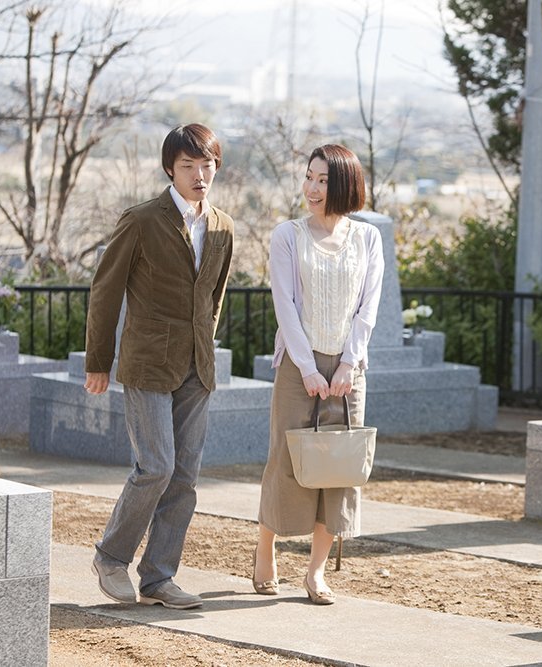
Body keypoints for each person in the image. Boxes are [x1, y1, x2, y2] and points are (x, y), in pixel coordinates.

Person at [84, 123, 234, 610]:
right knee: (156, 466)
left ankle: (159, 577)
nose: (199, 174)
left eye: (206, 164)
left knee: (185, 475)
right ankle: (110, 556)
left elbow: (214, 297)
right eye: (188, 165)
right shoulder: (142, 220)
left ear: (216, 168)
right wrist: (98, 361)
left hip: (197, 367)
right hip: (147, 361)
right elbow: (105, 292)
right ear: (171, 168)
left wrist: (205, 350)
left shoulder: (223, 226)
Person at [252, 144, 383, 605]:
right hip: (297, 366)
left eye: (323, 179)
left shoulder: (368, 238)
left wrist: (349, 363)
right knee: (285, 462)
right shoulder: (287, 235)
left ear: (344, 183)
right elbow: (284, 304)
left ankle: (316, 572)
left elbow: (369, 306)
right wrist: (307, 367)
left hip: (350, 368)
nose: (311, 187)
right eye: (309, 177)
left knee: (339, 468)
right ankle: (265, 550)